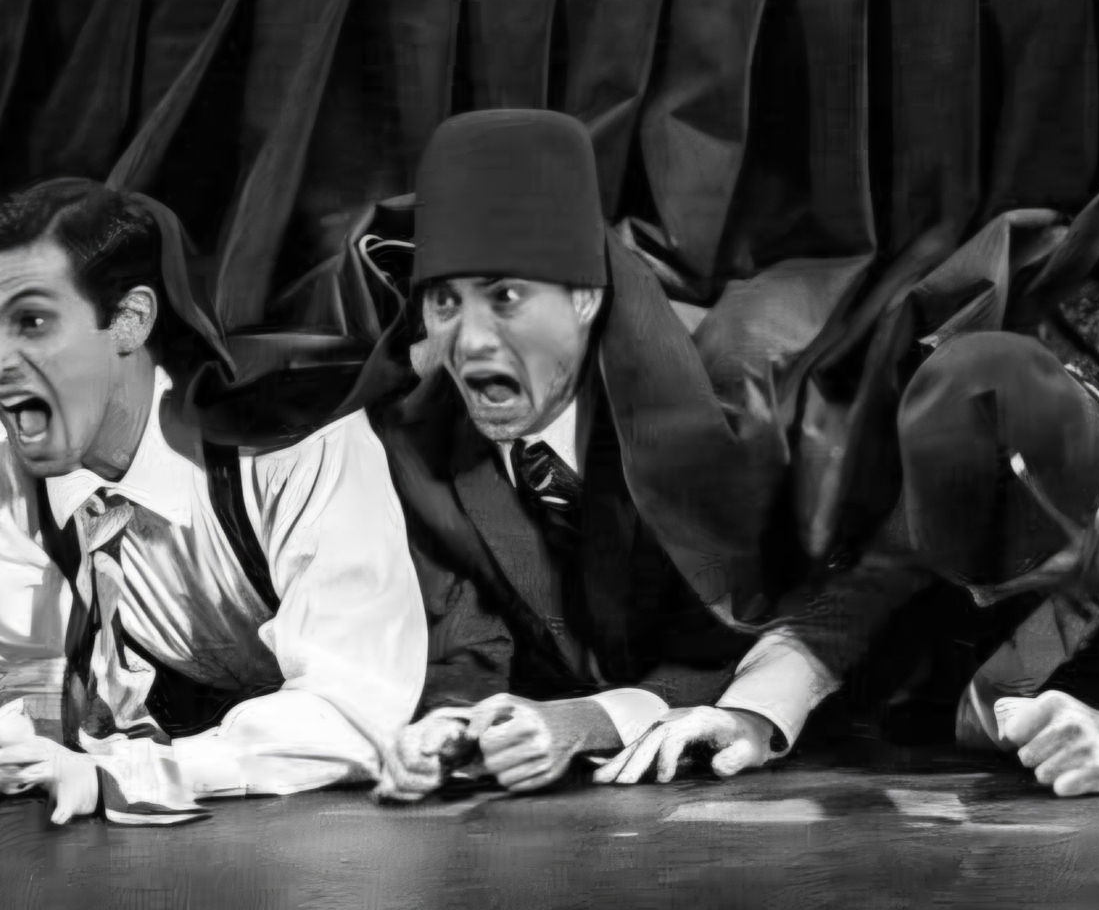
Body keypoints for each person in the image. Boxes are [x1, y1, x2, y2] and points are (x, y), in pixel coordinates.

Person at [370, 110, 892, 801]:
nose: (468, 342)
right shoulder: (419, 443)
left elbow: (767, 618)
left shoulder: (733, 404)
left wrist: (588, 721)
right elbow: (468, 633)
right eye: (445, 302)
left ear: (585, 300)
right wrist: (454, 726)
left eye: (507, 297)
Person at [0, 176, 429, 821]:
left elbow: (353, 710)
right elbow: (27, 692)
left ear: (130, 321)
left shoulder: (291, 440)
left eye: (32, 322)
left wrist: (135, 773)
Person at [634, 331, 1099, 800]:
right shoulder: (969, 440)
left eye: (1012, 578)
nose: (980, 600)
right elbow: (848, 608)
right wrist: (750, 718)